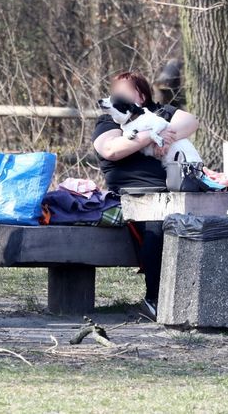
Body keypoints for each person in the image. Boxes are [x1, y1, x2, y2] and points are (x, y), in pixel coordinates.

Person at [91, 71, 200, 315]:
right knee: (157, 225)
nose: (115, 96)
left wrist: (166, 138)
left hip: (176, 191)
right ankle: (155, 299)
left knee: (223, 219)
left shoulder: (160, 112)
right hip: (136, 195)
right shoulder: (110, 120)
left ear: (140, 95)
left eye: (123, 91)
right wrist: (150, 137)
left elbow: (192, 121)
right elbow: (111, 149)